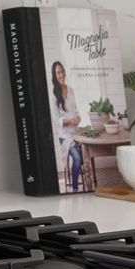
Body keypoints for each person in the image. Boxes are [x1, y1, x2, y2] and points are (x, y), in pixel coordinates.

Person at [51, 61, 84, 191]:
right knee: (77, 158)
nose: (61, 74)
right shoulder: (53, 94)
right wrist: (70, 121)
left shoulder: (70, 90)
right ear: (54, 75)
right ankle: (75, 188)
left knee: (83, 156)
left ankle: (75, 177)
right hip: (65, 137)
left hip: (75, 133)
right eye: (58, 72)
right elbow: (57, 120)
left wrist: (78, 116)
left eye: (62, 71)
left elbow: (75, 108)